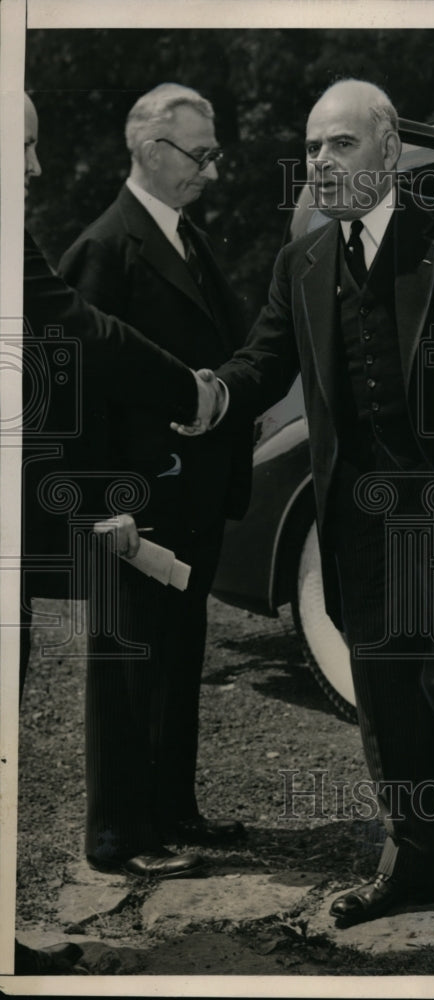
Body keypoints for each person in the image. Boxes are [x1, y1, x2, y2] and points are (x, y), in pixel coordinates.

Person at [179, 79, 434, 926]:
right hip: (358, 514)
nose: (320, 161)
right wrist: (214, 396)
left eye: (340, 145)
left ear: (389, 151)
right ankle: (415, 866)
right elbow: (263, 361)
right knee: (387, 697)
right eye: (313, 147)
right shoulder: (302, 261)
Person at [58, 84, 249, 878]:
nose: (210, 170)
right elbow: (70, 390)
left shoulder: (186, 238)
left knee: (175, 661)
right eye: (197, 154)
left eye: (213, 154)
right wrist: (103, 502)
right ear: (147, 149)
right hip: (134, 505)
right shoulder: (105, 248)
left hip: (191, 499)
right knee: (127, 666)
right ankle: (117, 837)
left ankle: (171, 811)